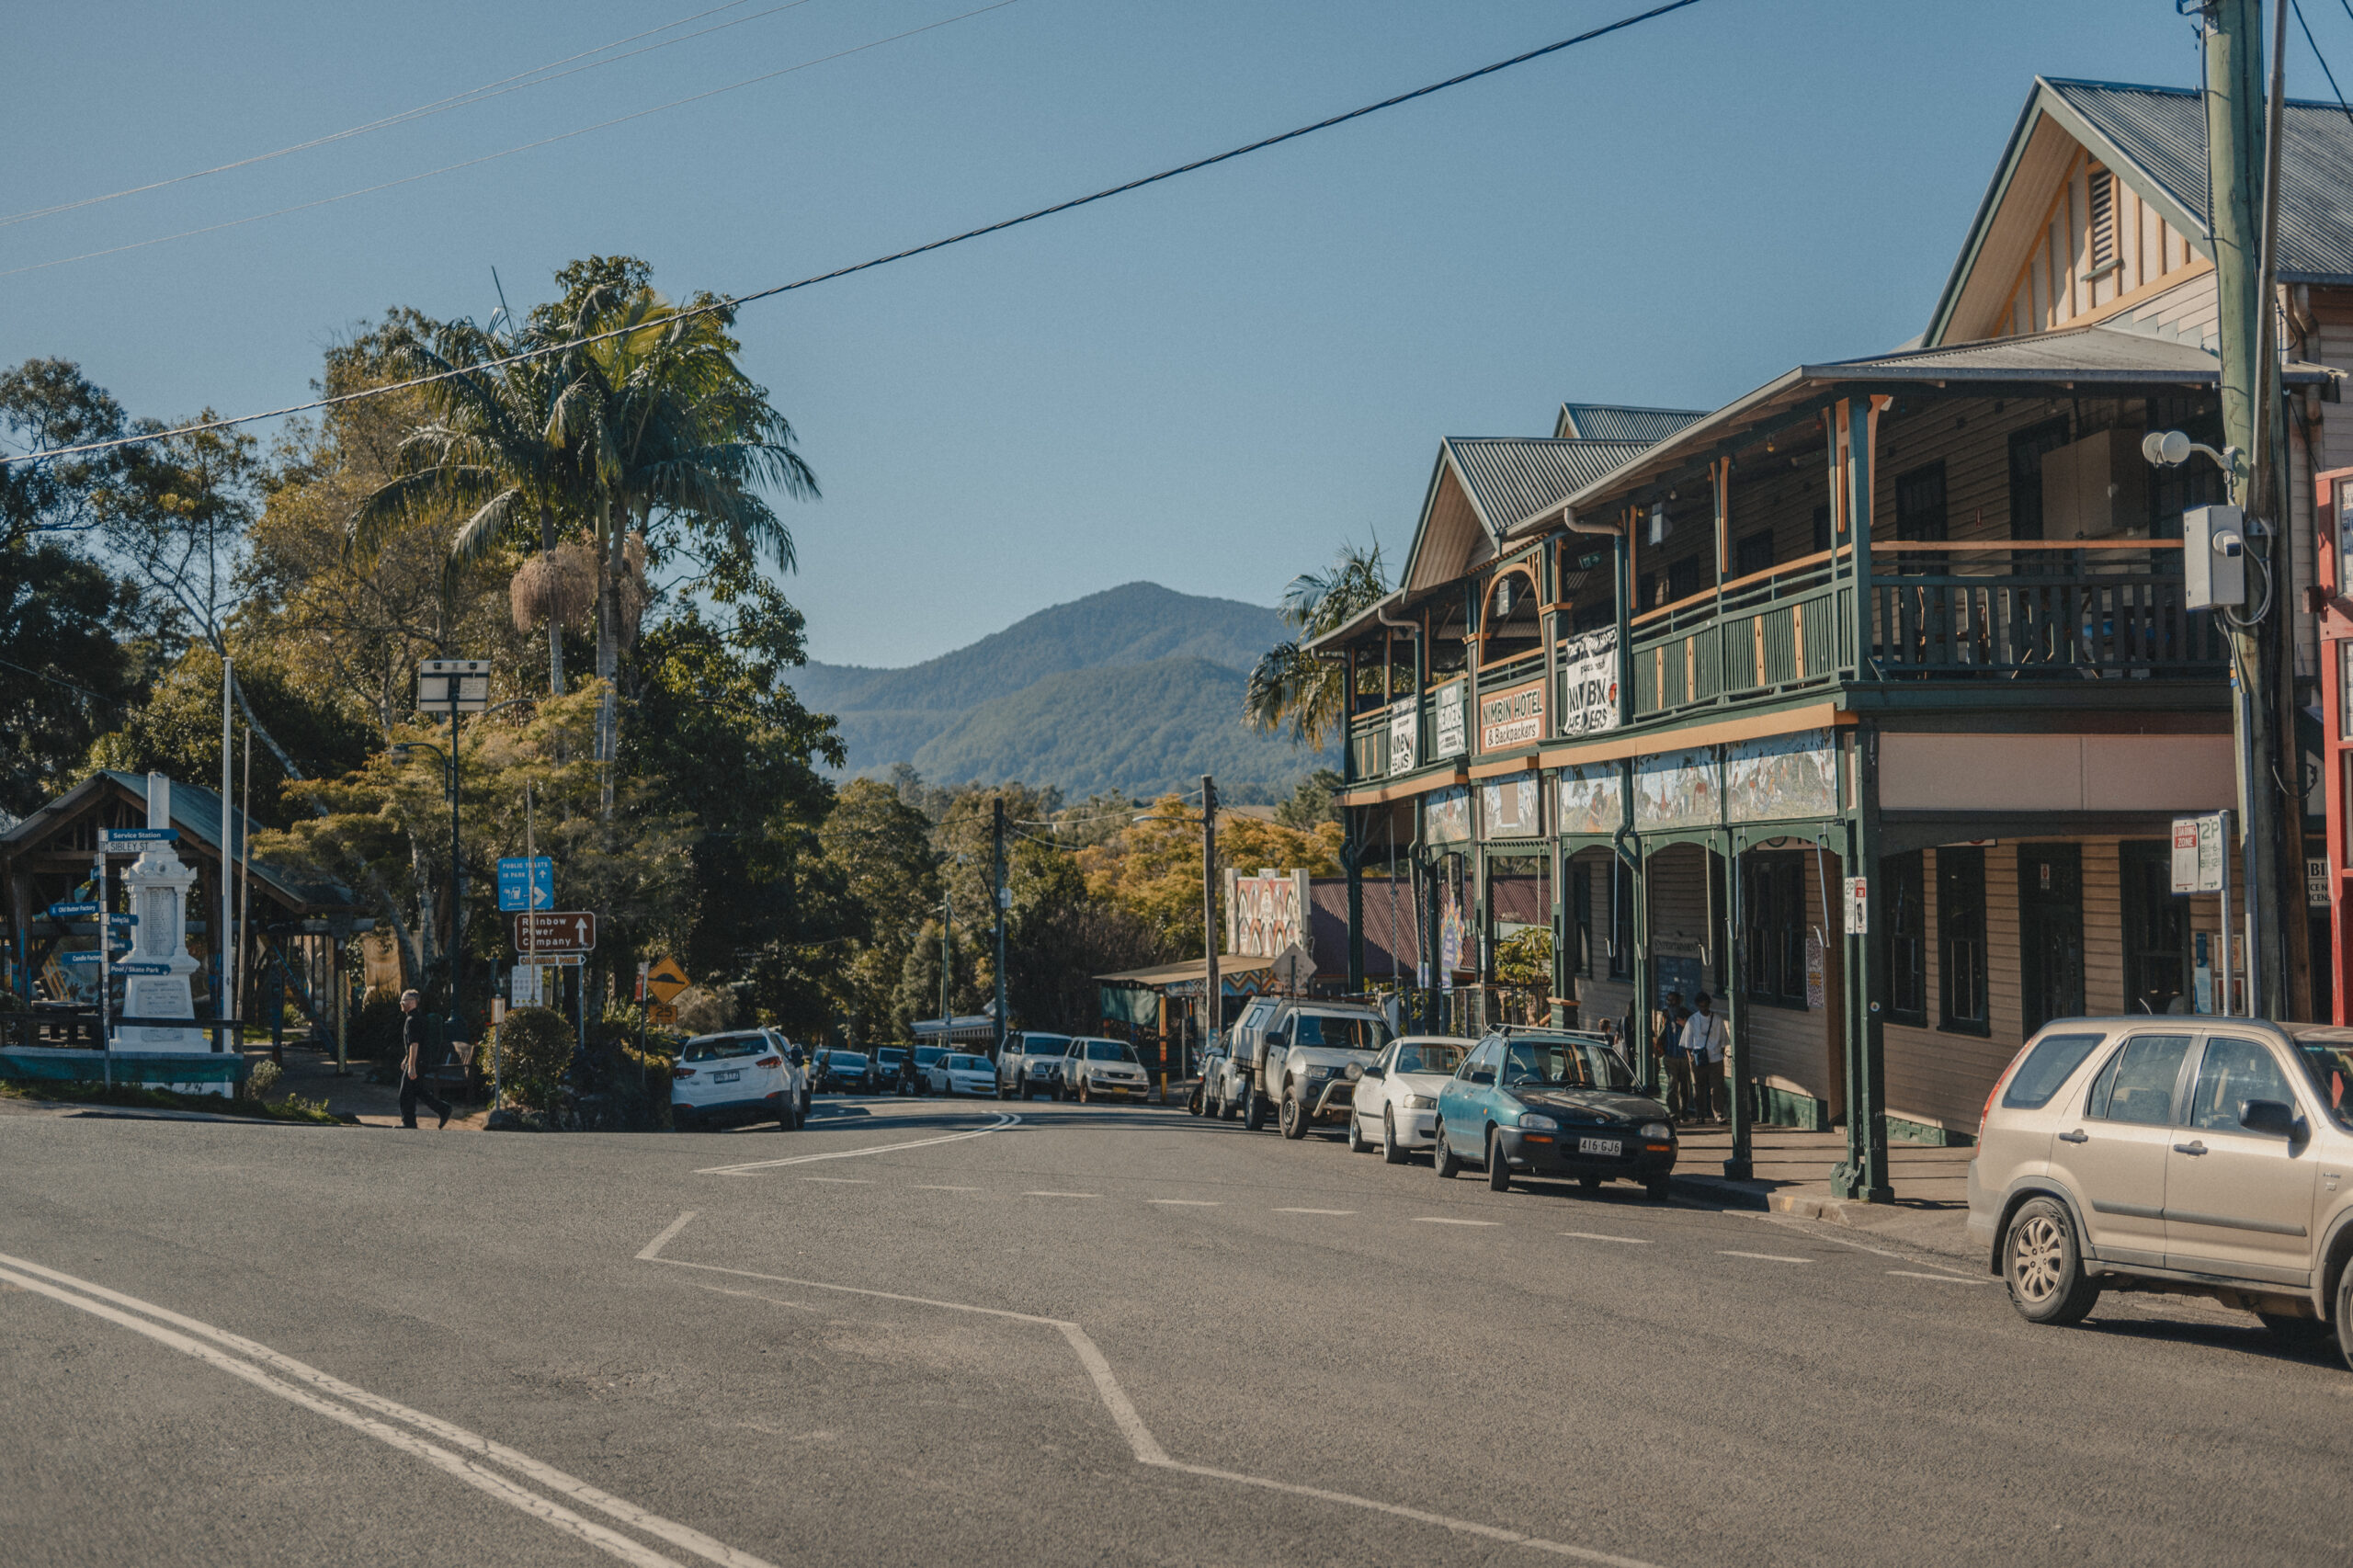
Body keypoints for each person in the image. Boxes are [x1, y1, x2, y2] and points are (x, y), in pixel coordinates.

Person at [399, 989, 452, 1131]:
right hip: (421, 1060)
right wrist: (406, 1059)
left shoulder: (412, 1020)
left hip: (417, 1062)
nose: (401, 1003)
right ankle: (443, 1109)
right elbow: (412, 1044)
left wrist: (411, 1066)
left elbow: (414, 1045)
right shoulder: (417, 1018)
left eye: (404, 1000)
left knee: (405, 1093)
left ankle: (409, 1123)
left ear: (412, 1002)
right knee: (417, 1091)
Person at [1681, 991, 1729, 1123]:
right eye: (1701, 1006)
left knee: (1717, 1088)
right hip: (1698, 1058)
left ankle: (1718, 1114)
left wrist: (1720, 1053)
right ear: (1698, 1006)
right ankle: (1700, 1114)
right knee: (1698, 1088)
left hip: (1715, 1058)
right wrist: (1690, 1058)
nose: (1704, 1009)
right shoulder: (1692, 1020)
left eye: (1706, 1006)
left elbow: (1724, 1041)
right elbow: (1687, 1042)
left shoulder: (1717, 1020)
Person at [1653, 989, 1691, 1119]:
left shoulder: (1687, 1015)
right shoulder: (1665, 1015)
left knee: (1684, 1086)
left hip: (1684, 1055)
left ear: (1679, 1001)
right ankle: (1674, 1111)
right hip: (1670, 1054)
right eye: (1668, 1000)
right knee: (1672, 1083)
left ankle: (1684, 1111)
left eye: (1673, 1000)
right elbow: (1661, 1033)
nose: (1670, 1003)